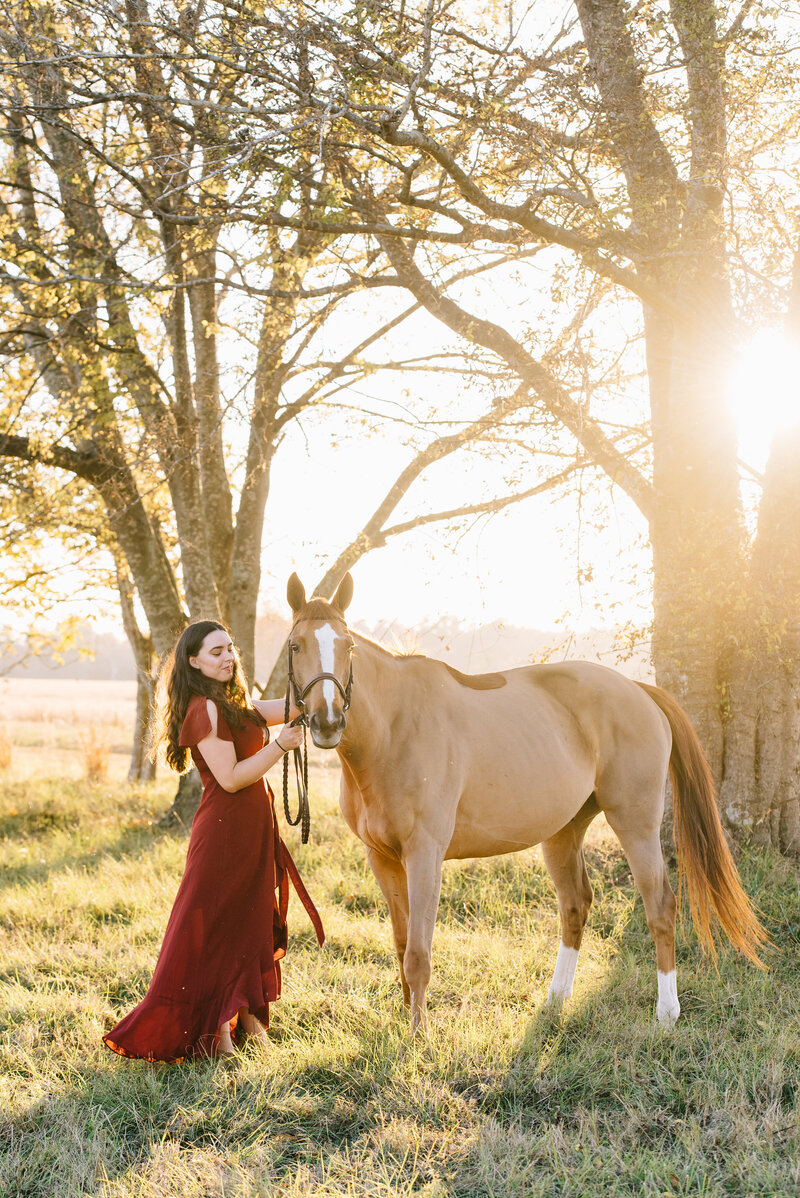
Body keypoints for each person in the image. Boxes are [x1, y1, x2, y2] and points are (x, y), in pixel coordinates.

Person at [103, 620, 324, 1063]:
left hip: (253, 832)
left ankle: (251, 1027)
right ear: (193, 660)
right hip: (223, 835)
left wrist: (318, 672)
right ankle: (217, 1036)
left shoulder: (235, 702)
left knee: (250, 923)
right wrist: (280, 746)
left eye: (231, 648)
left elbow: (294, 707)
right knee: (217, 929)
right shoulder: (203, 709)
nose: (228, 657)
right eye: (216, 651)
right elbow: (232, 778)